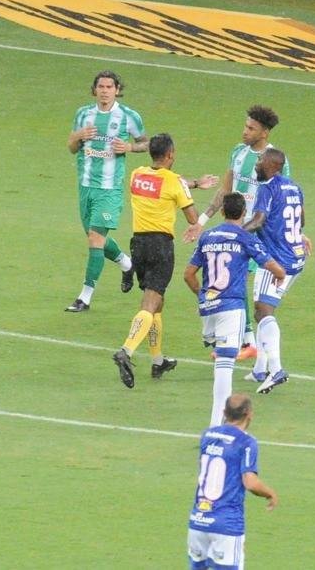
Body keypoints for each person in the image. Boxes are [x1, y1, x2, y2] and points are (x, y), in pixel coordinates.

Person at [110, 134, 217, 389]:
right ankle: (126, 350)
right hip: (160, 246)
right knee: (150, 303)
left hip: (138, 245)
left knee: (157, 303)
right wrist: (196, 202)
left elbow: (167, 184)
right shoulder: (174, 182)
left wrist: (194, 183)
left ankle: (158, 360)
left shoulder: (137, 174)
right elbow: (192, 218)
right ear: (170, 154)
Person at [185, 193, 286, 426]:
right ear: (244, 214)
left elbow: (188, 274)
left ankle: (217, 421)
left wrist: (202, 295)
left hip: (209, 308)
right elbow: (268, 262)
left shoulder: (208, 236)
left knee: (220, 353)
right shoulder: (244, 237)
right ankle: (216, 425)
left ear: (222, 212)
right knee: (224, 367)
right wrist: (280, 274)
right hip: (231, 308)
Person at [201, 105, 290, 362]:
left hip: (258, 234)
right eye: (245, 126)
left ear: (264, 132)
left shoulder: (275, 161)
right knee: (235, 284)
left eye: (251, 128)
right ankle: (248, 342)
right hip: (234, 230)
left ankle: (248, 342)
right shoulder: (238, 153)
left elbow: (283, 198)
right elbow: (224, 191)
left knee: (240, 286)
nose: (245, 132)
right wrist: (203, 219)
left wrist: (296, 232)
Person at [65, 70, 147, 313]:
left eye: (109, 87)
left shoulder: (128, 116)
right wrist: (79, 136)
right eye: (100, 86)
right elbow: (71, 147)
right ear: (94, 90)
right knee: (95, 238)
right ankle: (127, 264)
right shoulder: (83, 114)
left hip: (109, 190)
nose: (104, 90)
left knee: (95, 239)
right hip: (86, 187)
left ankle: (85, 296)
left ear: (117, 90)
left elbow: (148, 143)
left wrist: (130, 147)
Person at [241, 148, 311, 393]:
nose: (257, 164)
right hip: (297, 260)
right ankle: (260, 368)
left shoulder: (267, 188)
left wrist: (236, 234)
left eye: (260, 161)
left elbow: (259, 219)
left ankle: (276, 369)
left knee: (263, 310)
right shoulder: (294, 187)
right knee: (264, 310)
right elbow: (300, 220)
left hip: (276, 261)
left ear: (272, 165)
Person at [188, 393, 278, 570]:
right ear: (249, 414)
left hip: (198, 520)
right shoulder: (246, 442)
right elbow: (250, 482)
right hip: (227, 523)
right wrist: (270, 493)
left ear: (224, 412)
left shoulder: (207, 435)